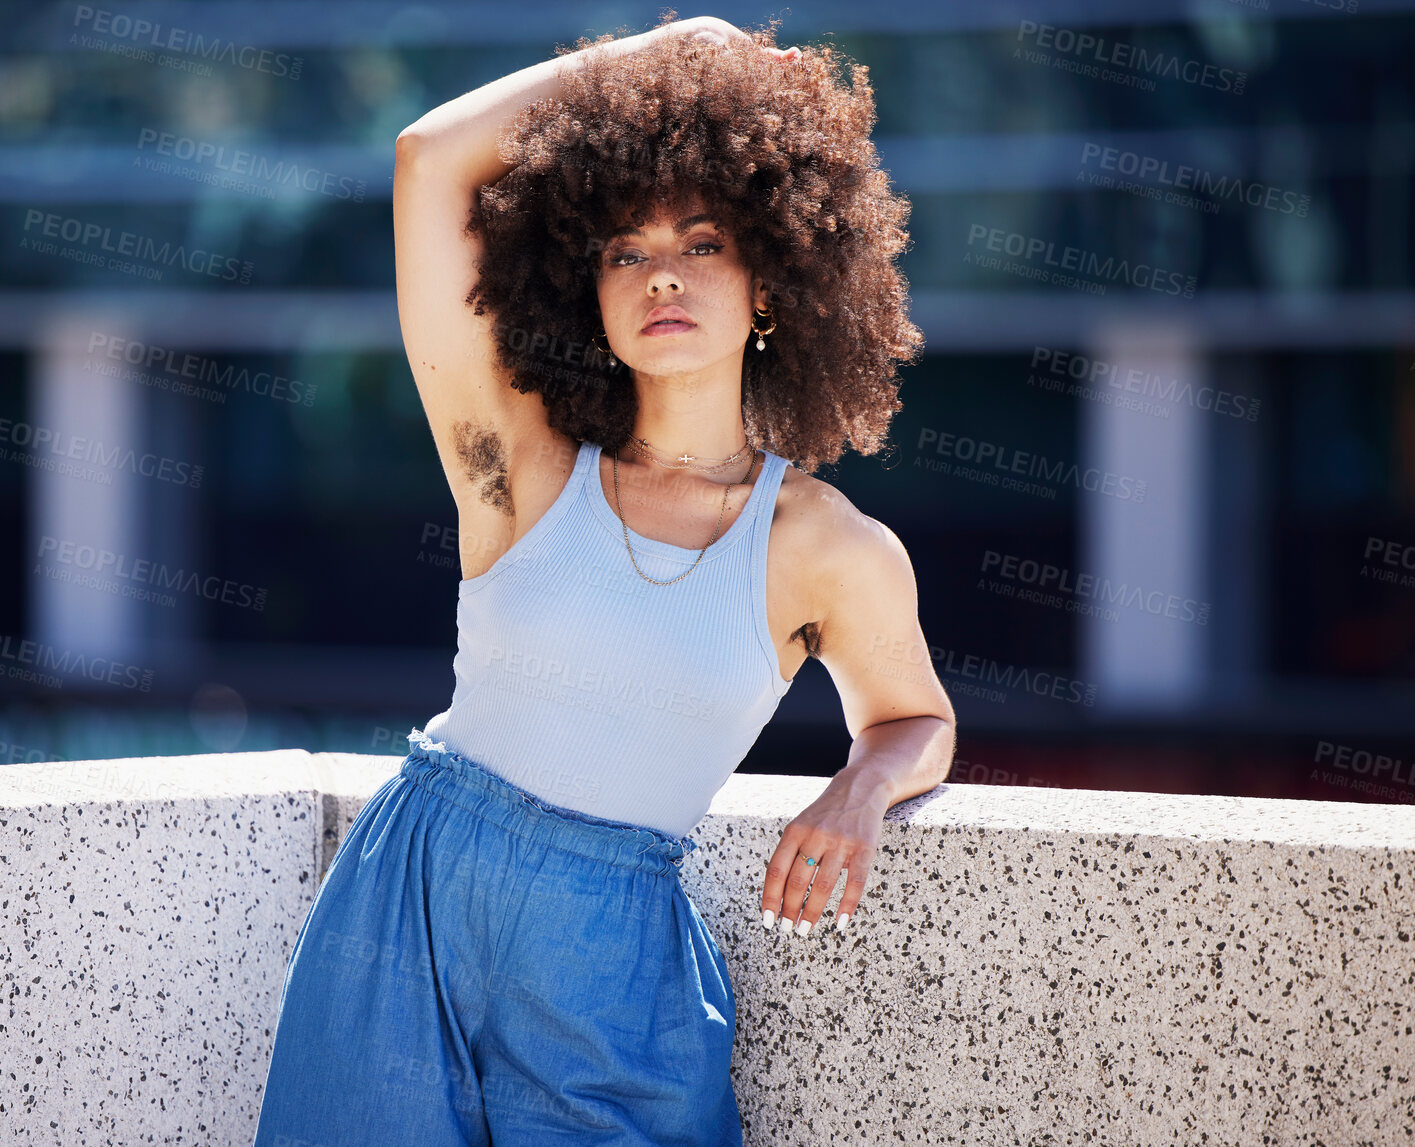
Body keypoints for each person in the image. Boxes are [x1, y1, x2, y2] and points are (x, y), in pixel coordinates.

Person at [253, 13, 956, 1145]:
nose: (661, 275)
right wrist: (678, 46)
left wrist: (859, 791)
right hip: (408, 901)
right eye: (624, 251)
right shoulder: (521, 469)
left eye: (704, 245)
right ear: (590, 290)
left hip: (613, 962)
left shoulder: (827, 544)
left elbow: (916, 716)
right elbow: (430, 160)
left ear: (770, 283)